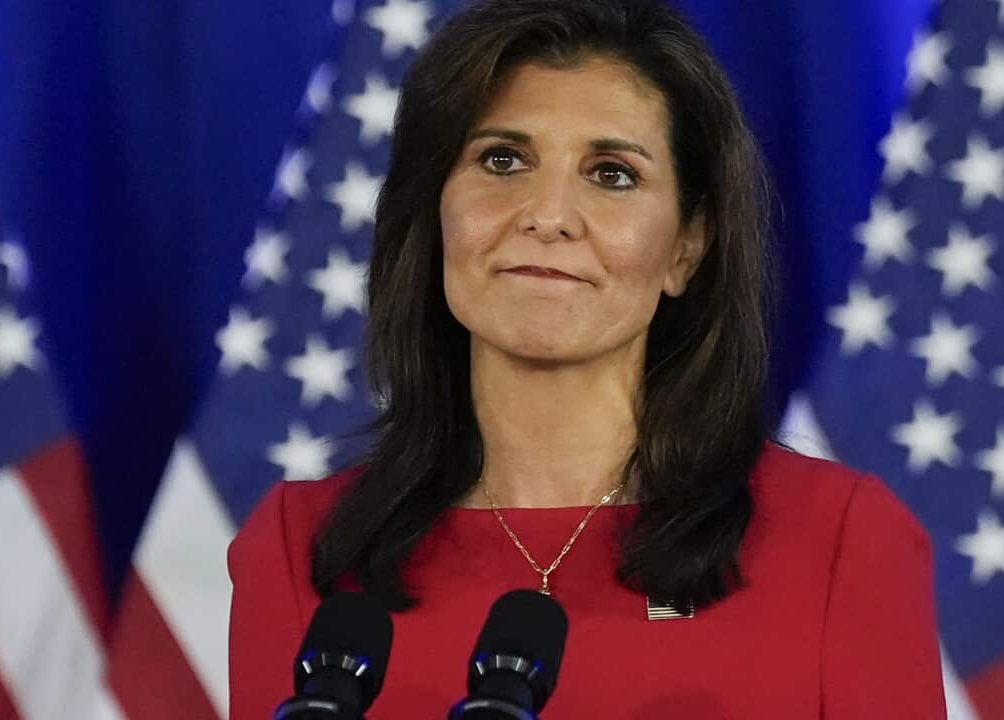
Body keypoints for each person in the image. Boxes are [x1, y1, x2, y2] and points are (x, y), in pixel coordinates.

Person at [227, 0, 946, 717]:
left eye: (611, 174)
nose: (547, 216)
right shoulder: (303, 547)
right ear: (434, 210)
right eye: (502, 160)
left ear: (687, 246)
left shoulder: (840, 541)